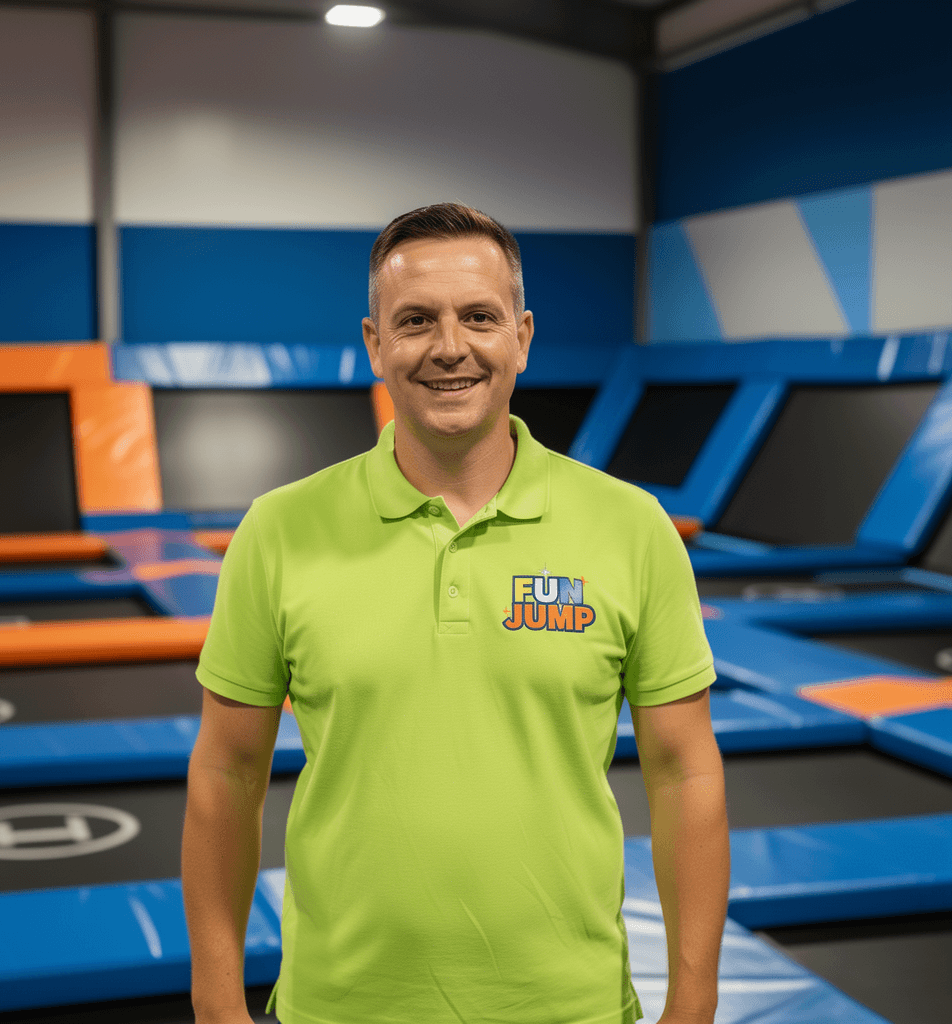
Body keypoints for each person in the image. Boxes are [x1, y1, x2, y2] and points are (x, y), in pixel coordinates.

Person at [182, 203, 729, 1024]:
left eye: (479, 316)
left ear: (522, 335)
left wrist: (694, 1002)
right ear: (374, 343)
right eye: (415, 320)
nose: (449, 347)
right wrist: (217, 1004)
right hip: (339, 1007)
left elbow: (686, 773)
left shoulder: (631, 528)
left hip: (569, 1008)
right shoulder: (279, 532)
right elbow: (226, 774)